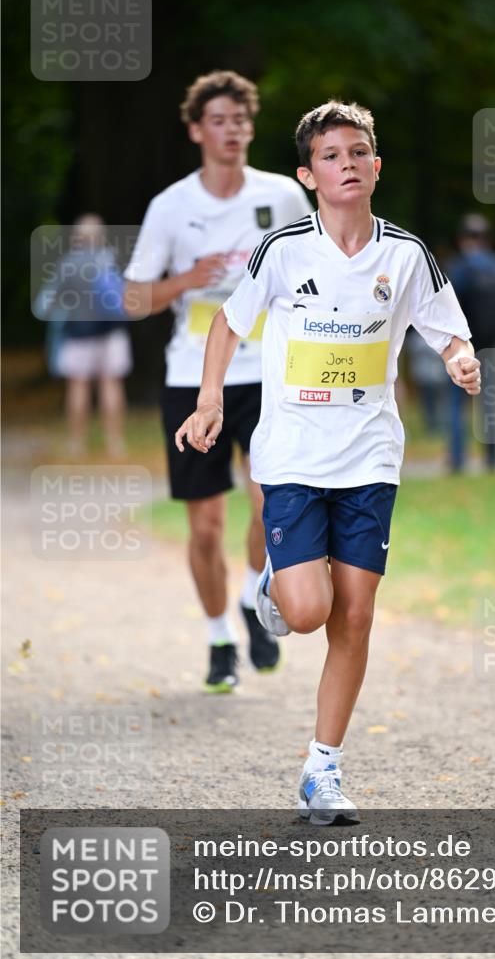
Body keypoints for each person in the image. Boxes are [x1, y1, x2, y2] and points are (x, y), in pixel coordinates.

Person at [175, 100, 480, 824]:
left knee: (357, 616)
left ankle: (322, 769)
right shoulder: (284, 249)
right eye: (331, 156)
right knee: (308, 612)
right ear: (309, 175)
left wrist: (463, 361)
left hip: (369, 457)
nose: (346, 165)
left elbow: (448, 334)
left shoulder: (404, 254)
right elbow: (226, 321)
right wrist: (211, 399)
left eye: (357, 153)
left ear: (376, 166)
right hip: (291, 457)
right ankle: (276, 588)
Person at [123, 70, 312, 694]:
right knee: (205, 526)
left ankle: (255, 594)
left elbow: (316, 270)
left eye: (242, 120)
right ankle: (218, 638)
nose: (233, 130)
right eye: (221, 121)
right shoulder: (171, 206)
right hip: (190, 377)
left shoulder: (284, 196)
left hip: (269, 373)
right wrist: (189, 279)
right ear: (197, 130)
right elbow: (133, 299)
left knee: (267, 503)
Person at [34, 214, 132, 458]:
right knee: (111, 385)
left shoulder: (68, 264)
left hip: (77, 332)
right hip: (112, 332)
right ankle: (115, 442)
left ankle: (77, 443)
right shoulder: (112, 260)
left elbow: (44, 304)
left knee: (78, 386)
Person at [446, 213, 495, 472]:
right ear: (487, 238)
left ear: (462, 238)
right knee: (490, 402)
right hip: (491, 345)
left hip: (462, 346)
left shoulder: (458, 267)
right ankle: (493, 459)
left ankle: (457, 460)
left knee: (455, 404)